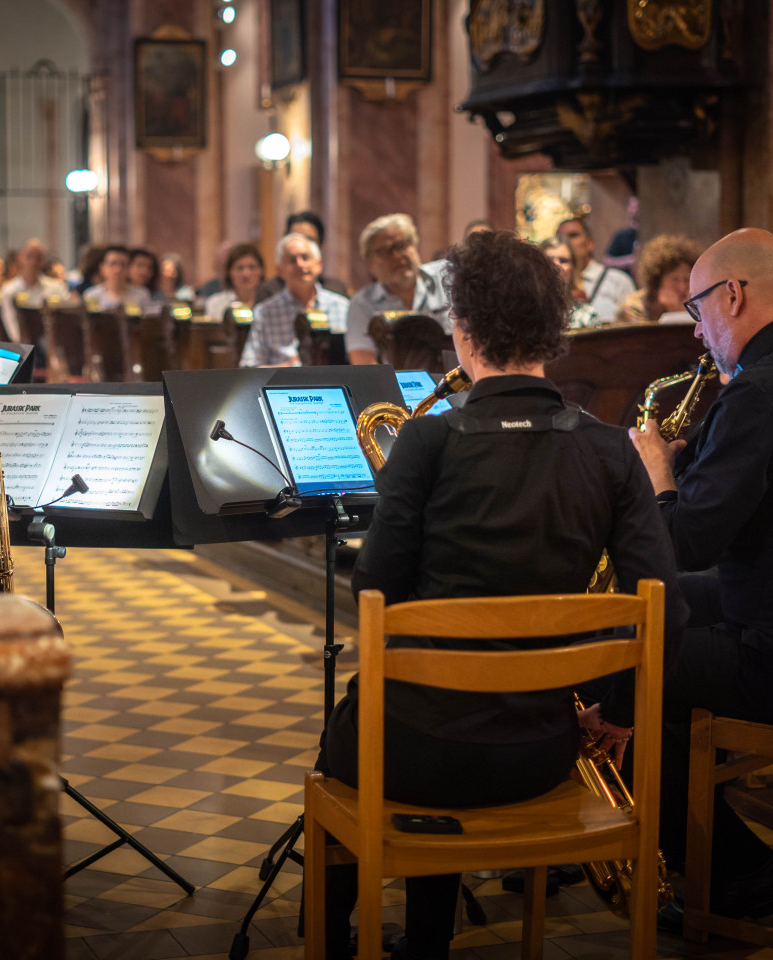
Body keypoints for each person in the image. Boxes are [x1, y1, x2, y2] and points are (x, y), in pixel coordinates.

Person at [318, 230, 686, 960]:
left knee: (357, 728)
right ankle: (425, 940)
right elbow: (665, 606)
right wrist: (613, 709)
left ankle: (331, 939)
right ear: (553, 332)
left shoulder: (426, 443)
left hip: (416, 753)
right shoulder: (611, 449)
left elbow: (374, 591)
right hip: (539, 750)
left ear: (463, 330)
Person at [629, 227, 773, 925]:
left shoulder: (756, 394)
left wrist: (660, 473)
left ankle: (736, 875)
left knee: (618, 649)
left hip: (767, 647)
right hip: (762, 594)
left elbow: (686, 541)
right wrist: (695, 466)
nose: (697, 335)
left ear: (734, 295)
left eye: (697, 311)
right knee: (649, 609)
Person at [345, 213, 450, 364]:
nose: (397, 256)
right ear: (369, 264)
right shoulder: (362, 304)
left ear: (415, 246)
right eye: (386, 251)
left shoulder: (446, 277)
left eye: (402, 245)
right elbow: (364, 363)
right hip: (394, 385)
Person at [239, 233, 349, 367]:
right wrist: (289, 367)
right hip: (283, 385)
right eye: (292, 260)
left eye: (305, 257)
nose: (300, 264)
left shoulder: (342, 307)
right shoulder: (265, 312)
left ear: (319, 264)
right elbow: (249, 368)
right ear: (279, 270)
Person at [256, 210, 349, 301]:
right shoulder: (269, 292)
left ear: (321, 246)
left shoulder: (336, 291)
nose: (301, 245)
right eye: (295, 238)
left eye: (309, 240)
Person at [557, 217, 635, 323]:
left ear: (590, 243)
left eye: (573, 235)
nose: (566, 241)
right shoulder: (553, 284)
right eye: (560, 237)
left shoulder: (618, 281)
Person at [616, 234, 699, 324]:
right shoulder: (634, 306)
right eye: (675, 279)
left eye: (687, 279)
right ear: (657, 281)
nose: (682, 287)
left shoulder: (698, 303)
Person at [0, 238, 68, 341]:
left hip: (54, 342)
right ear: (20, 258)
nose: (33, 262)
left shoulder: (57, 287)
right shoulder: (9, 291)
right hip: (24, 347)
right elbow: (13, 329)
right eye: (29, 257)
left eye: (38, 257)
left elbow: (65, 320)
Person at [540, 237, 599, 329]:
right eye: (550, 260)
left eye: (563, 260)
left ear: (573, 268)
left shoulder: (586, 313)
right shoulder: (528, 310)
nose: (557, 265)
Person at [202, 243, 264, 321]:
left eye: (252, 267)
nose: (246, 274)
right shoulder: (215, 303)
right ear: (229, 272)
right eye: (240, 268)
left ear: (261, 271)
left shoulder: (268, 302)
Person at [82, 245, 150, 313]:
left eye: (123, 265)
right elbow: (93, 320)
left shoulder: (141, 295)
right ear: (103, 267)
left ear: (129, 268)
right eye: (113, 264)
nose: (118, 270)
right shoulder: (92, 295)